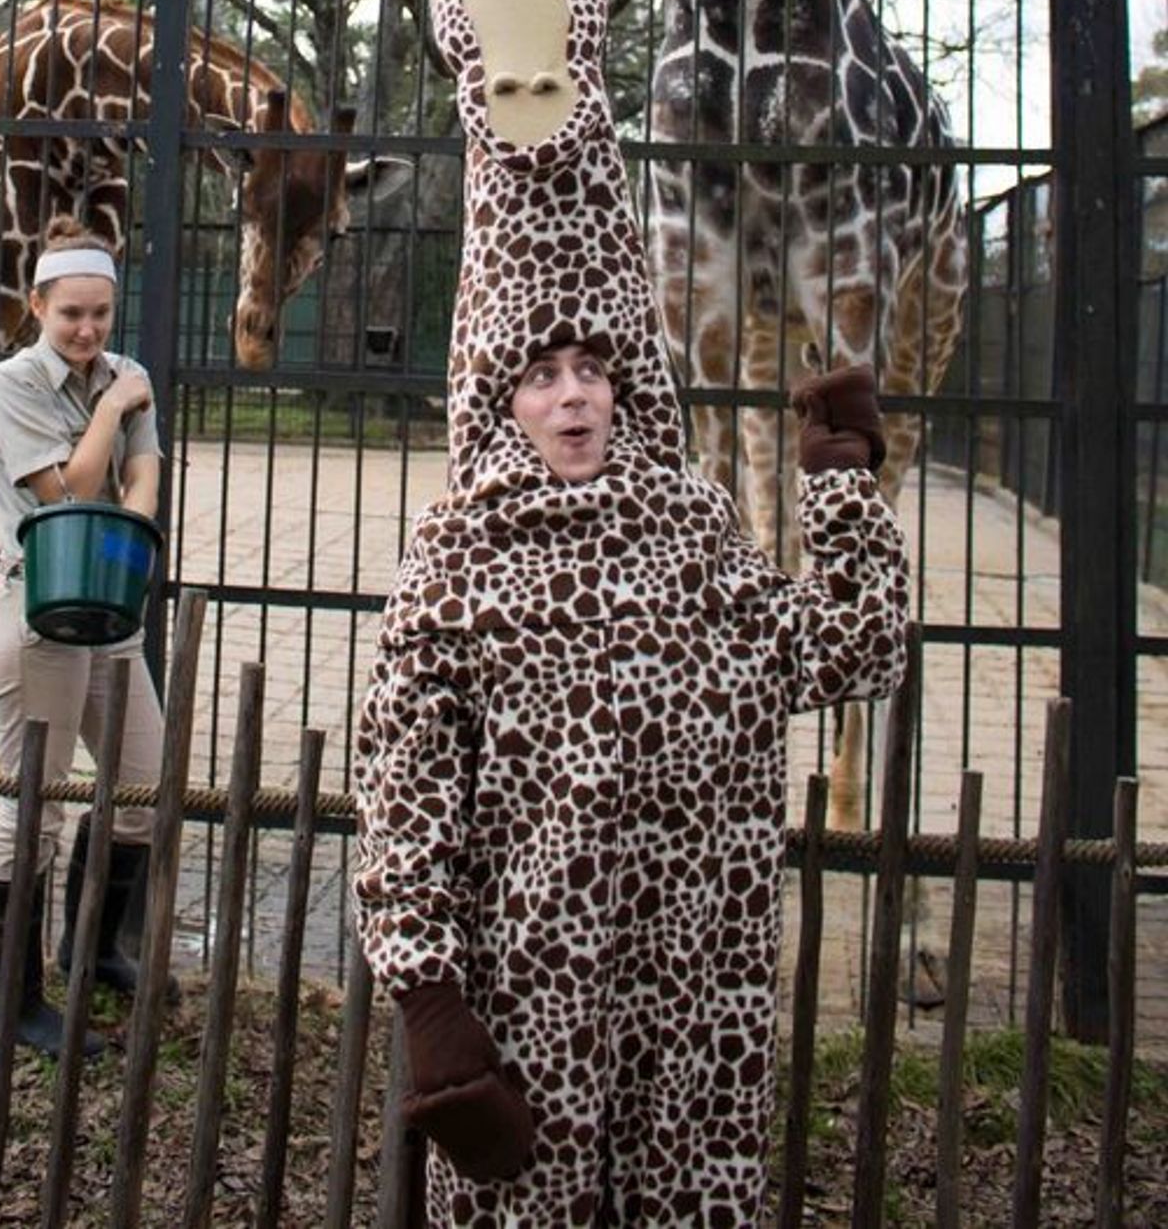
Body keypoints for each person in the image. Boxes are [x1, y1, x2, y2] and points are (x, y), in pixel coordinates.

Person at [354, 335, 908, 1227]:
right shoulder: (457, 550)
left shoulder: (694, 527)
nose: (572, 397)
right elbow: (404, 789)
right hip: (529, 993)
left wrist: (840, 470)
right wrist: (429, 999)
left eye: (591, 372)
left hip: (686, 1000)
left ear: (625, 389)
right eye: (541, 377)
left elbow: (853, 649)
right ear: (502, 402)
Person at [0, 214, 166, 1056]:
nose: (88, 331)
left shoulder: (124, 372)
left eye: (100, 314)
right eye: (71, 315)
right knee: (33, 812)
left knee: (145, 789)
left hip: (109, 614)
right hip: (36, 613)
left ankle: (92, 949)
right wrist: (117, 406)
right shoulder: (13, 386)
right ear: (37, 306)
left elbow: (143, 474)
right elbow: (67, 492)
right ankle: (15, 1000)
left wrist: (126, 532)